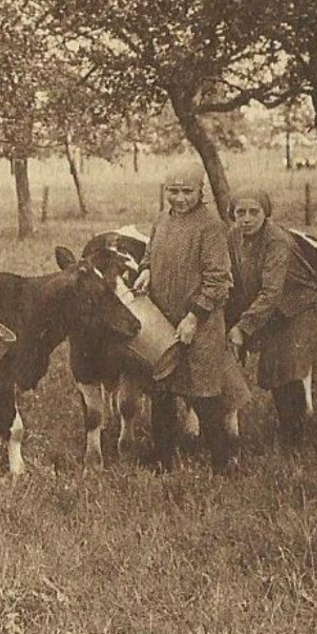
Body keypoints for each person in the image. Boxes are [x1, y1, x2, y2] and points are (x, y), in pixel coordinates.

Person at [135, 161, 236, 473]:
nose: (179, 198)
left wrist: (194, 316)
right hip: (163, 319)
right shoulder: (162, 219)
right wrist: (146, 270)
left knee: (204, 393)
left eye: (187, 192)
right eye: (173, 191)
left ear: (200, 191)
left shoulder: (210, 226)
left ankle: (222, 461)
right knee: (161, 390)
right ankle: (164, 457)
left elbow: (219, 280)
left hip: (199, 323)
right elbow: (150, 252)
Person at [226, 187, 317, 448]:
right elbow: (236, 279)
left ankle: (294, 438)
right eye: (241, 213)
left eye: (254, 212)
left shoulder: (277, 241)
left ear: (266, 213)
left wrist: (243, 328)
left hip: (300, 305)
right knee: (273, 367)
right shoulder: (233, 237)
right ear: (233, 215)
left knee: (287, 366)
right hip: (272, 310)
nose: (247, 218)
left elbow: (271, 291)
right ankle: (288, 428)